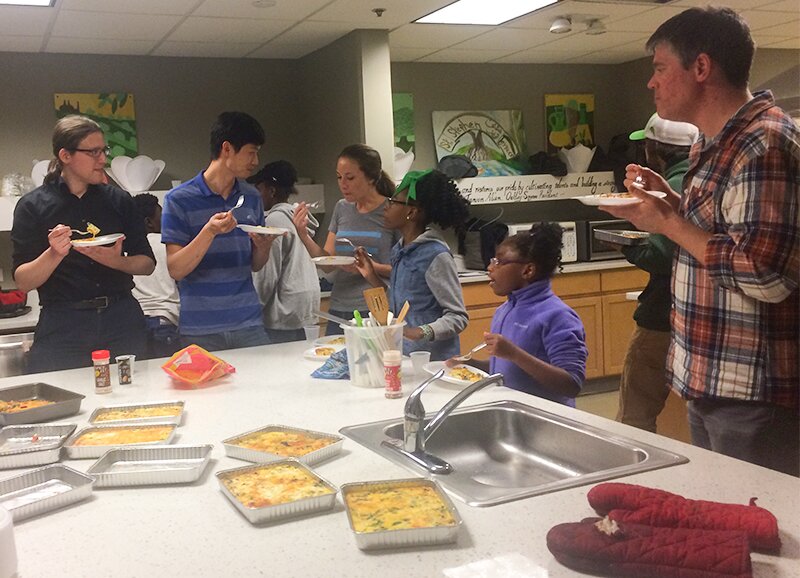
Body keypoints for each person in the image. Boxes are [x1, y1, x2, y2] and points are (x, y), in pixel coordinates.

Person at [603, 7, 799, 476]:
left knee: (757, 529)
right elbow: (720, 230)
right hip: (711, 379)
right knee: (723, 519)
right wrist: (669, 200)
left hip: (751, 392)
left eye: (659, 67)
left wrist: (668, 223)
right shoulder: (711, 142)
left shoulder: (763, 144)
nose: (651, 83)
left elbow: (766, 275)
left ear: (701, 68)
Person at [11, 115, 154, 373]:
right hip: (63, 322)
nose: (103, 159)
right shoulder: (32, 206)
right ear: (66, 155)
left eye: (104, 150)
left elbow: (147, 264)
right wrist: (54, 254)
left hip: (120, 317)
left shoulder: (120, 200)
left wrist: (116, 261)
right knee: (60, 400)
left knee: (134, 397)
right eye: (94, 152)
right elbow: (23, 281)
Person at [161, 111, 277, 352]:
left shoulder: (252, 197)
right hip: (200, 328)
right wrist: (209, 232)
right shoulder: (178, 199)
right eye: (251, 152)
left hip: (248, 322)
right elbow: (176, 269)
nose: (256, 161)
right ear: (227, 149)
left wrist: (263, 249)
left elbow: (255, 264)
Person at [614, 114, 697, 432]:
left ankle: (632, 479)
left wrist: (626, 245)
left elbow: (662, 256)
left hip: (661, 318)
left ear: (655, 150)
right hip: (695, 323)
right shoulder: (702, 180)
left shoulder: (670, 187)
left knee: (635, 417)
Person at [448, 224, 587, 406]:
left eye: (499, 261)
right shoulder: (504, 310)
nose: (490, 267)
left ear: (527, 270)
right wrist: (470, 364)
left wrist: (514, 354)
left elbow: (571, 385)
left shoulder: (558, 316)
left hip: (546, 419)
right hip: (513, 412)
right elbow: (507, 368)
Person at [354, 170, 470, 360]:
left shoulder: (435, 255)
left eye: (393, 201)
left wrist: (420, 331)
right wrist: (371, 276)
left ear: (412, 212)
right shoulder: (400, 250)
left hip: (434, 362)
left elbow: (458, 317)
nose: (386, 206)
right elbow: (398, 305)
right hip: (405, 357)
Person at [292, 144, 399, 335]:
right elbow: (327, 263)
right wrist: (303, 234)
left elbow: (403, 271)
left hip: (376, 308)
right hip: (340, 306)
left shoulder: (392, 212)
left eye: (350, 178)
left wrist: (368, 267)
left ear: (372, 178)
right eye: (339, 177)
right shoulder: (342, 208)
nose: (343, 184)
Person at [248, 160, 320, 343]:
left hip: (283, 314)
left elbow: (267, 274)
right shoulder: (297, 218)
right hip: (306, 308)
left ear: (271, 191)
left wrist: (253, 307)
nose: (258, 194)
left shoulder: (275, 221)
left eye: (260, 188)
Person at [131, 193, 181, 359]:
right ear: (149, 222)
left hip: (135, 322)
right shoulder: (168, 246)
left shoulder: (126, 250)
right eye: (162, 216)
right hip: (165, 320)